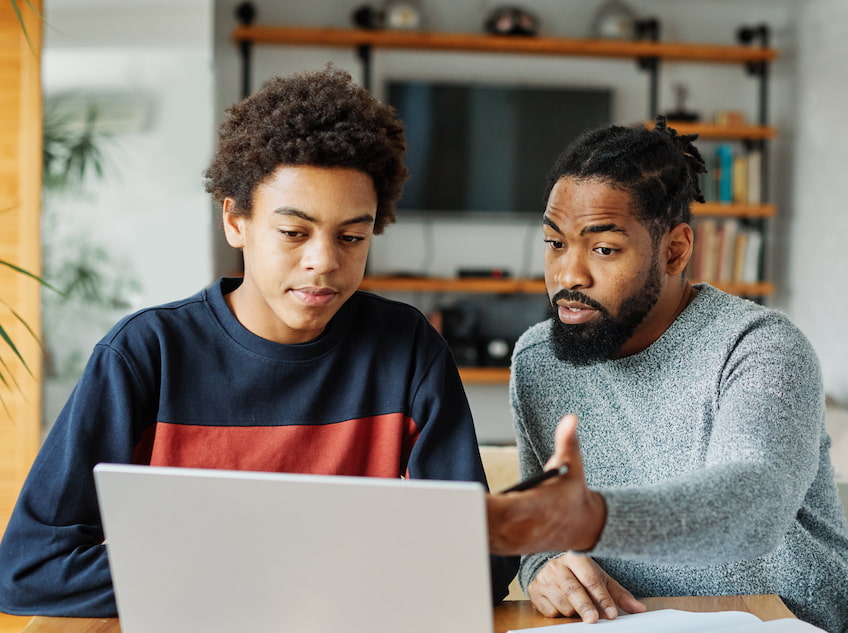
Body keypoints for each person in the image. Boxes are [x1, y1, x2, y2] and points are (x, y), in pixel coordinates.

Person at [0, 66, 517, 617]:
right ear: (235, 220)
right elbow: (30, 570)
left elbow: (475, 567)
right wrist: (261, 570)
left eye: (352, 237)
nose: (323, 261)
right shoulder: (145, 355)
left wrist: (527, 524)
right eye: (294, 233)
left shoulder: (407, 348)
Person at [486, 118, 848, 633]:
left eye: (603, 249)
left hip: (785, 622)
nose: (568, 275)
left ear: (676, 250)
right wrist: (545, 566)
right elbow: (546, 536)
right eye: (554, 243)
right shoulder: (538, 360)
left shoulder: (760, 346)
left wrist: (590, 518)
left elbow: (751, 509)